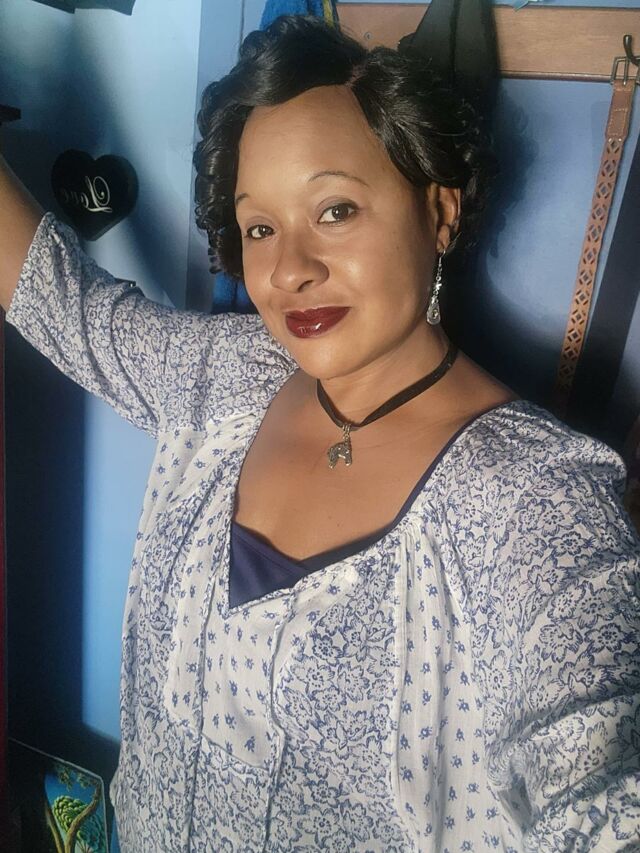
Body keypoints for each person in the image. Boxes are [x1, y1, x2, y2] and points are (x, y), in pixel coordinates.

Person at [2, 15, 639, 852]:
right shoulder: (225, 376)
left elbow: (606, 797)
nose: (288, 269)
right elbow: (61, 302)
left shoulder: (535, 504)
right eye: (259, 227)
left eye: (335, 209)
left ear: (439, 210)